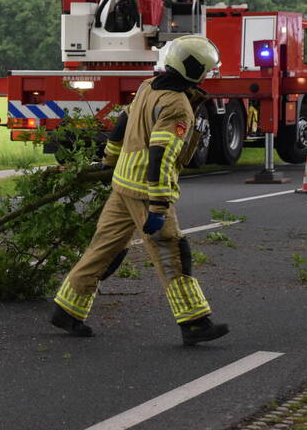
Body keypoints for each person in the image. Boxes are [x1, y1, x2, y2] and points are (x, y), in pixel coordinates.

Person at [50, 35, 230, 346]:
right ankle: (195, 322)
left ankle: (67, 308)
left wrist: (110, 159)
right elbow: (162, 155)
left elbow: (122, 122)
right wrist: (159, 206)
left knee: (104, 248)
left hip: (123, 184)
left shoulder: (149, 86)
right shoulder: (177, 105)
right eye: (206, 70)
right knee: (172, 251)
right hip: (146, 191)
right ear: (195, 70)